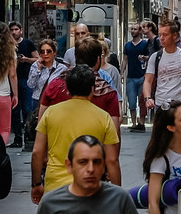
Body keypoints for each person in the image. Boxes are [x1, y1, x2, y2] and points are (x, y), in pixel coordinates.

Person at [31, 66, 120, 203]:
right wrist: (117, 195)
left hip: (55, 188)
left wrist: (36, 184)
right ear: (92, 89)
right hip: (90, 190)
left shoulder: (51, 113)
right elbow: (112, 160)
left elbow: (37, 152)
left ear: (68, 88)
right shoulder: (104, 118)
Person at [33, 135, 143, 214]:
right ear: (69, 166)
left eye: (97, 162)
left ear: (104, 166)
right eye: (83, 162)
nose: (90, 169)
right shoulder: (50, 203)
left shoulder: (120, 199)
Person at [40, 36, 121, 133]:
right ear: (98, 60)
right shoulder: (107, 91)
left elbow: (41, 125)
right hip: (94, 145)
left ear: (75, 58)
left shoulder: (54, 85)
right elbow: (114, 134)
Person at [143, 20, 181, 113]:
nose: (161, 38)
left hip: (180, 104)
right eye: (160, 35)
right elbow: (147, 80)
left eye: (165, 35)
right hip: (160, 104)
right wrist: (148, 98)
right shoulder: (155, 57)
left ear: (175, 36)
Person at [10, 20, 38, 148]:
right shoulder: (7, 45)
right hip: (11, 80)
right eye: (12, 30)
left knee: (27, 109)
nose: (14, 32)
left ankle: (28, 136)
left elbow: (37, 59)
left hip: (26, 79)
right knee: (15, 110)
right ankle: (17, 137)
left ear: (21, 30)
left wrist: (26, 59)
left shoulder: (27, 43)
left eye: (16, 29)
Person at [122, 22, 149, 131]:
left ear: (139, 31)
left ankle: (141, 122)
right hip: (130, 77)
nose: (133, 31)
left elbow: (150, 57)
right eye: (132, 29)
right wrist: (121, 73)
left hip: (142, 77)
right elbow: (124, 60)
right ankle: (133, 122)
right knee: (131, 101)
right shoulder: (127, 45)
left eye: (135, 29)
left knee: (142, 101)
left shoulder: (144, 44)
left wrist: (144, 58)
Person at [27, 39, 66, 111]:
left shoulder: (62, 68)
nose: (45, 54)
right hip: (38, 101)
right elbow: (30, 85)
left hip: (55, 102)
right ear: (40, 54)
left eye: (48, 51)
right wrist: (38, 69)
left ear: (54, 52)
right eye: (42, 52)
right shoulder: (35, 66)